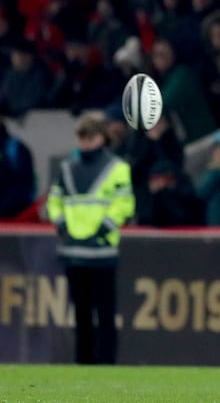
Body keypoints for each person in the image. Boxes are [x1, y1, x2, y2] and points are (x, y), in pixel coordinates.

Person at [46, 113, 135, 364]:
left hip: (102, 251)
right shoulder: (67, 168)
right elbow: (54, 200)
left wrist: (103, 230)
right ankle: (83, 361)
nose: (84, 142)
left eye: (89, 137)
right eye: (81, 137)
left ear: (101, 137)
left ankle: (106, 362)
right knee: (81, 313)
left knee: (105, 312)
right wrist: (62, 224)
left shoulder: (117, 168)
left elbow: (124, 204)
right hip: (74, 251)